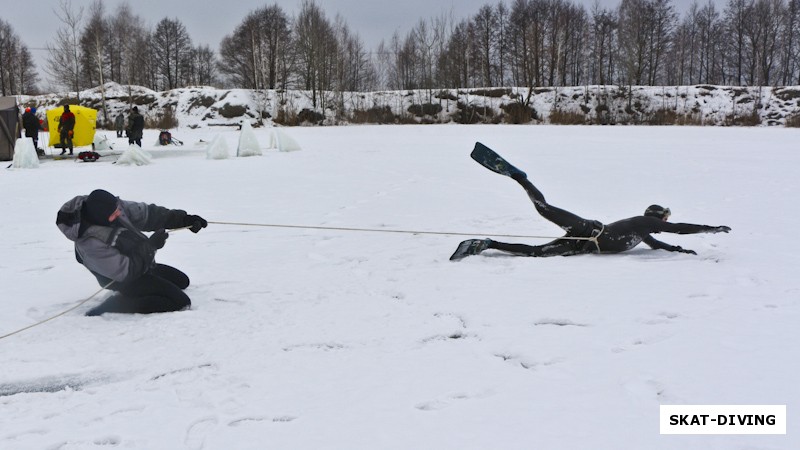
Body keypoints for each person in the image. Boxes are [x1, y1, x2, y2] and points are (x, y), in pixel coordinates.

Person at [450, 171, 731, 260]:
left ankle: (486, 244)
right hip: (588, 228)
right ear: (658, 217)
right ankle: (520, 177)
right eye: (664, 219)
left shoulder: (644, 233)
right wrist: (709, 229)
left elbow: (662, 243)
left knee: (537, 253)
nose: (665, 224)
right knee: (544, 208)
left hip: (584, 243)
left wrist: (679, 251)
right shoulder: (646, 222)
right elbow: (679, 228)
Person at [56, 189, 208, 315]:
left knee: (182, 281)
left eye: (117, 210)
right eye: (114, 214)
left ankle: (137, 290)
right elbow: (126, 272)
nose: (118, 213)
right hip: (121, 278)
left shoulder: (112, 207)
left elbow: (148, 214)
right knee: (180, 302)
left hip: (141, 264)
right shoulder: (90, 243)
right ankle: (117, 304)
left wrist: (184, 220)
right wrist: (151, 246)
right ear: (99, 218)